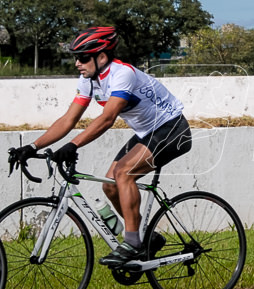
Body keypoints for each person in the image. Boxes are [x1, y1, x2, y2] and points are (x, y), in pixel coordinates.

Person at [10, 26, 192, 267]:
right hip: (145, 133)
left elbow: (107, 118)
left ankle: (132, 243)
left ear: (102, 56)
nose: (77, 63)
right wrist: (32, 146)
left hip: (172, 129)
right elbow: (68, 120)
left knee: (123, 173)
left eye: (83, 57)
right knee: (110, 186)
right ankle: (148, 238)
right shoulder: (89, 79)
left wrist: (73, 145)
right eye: (75, 57)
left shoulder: (122, 74)